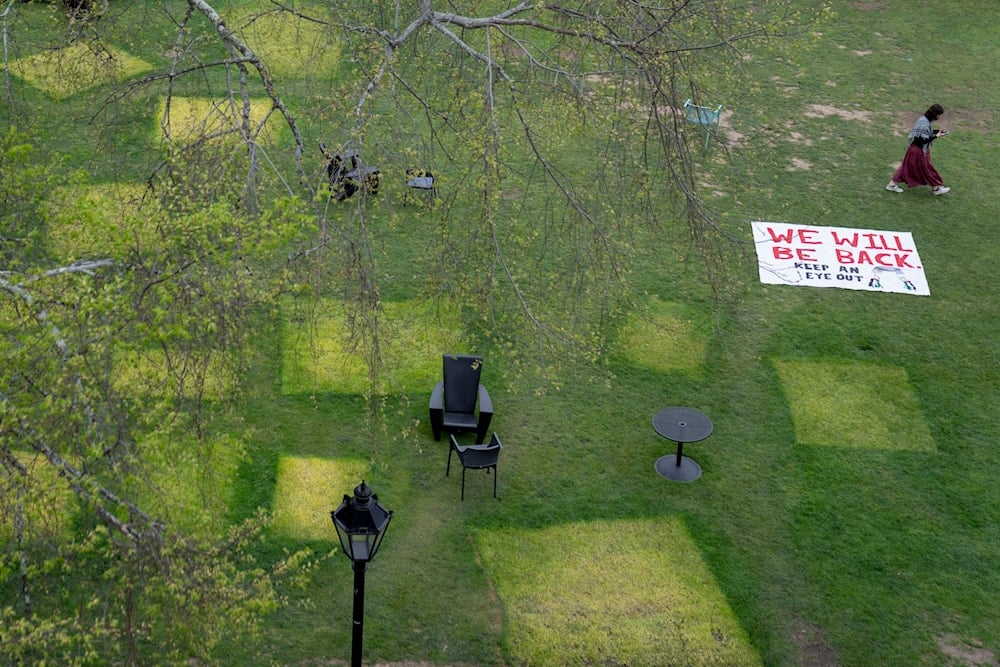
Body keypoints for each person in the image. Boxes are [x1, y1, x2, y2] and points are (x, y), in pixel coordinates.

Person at [886, 103, 950, 196]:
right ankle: (936, 189)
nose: (939, 117)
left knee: (907, 167)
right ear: (935, 114)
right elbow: (923, 140)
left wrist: (937, 131)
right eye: (939, 115)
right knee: (926, 169)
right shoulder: (924, 124)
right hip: (918, 151)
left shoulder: (924, 120)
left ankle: (891, 185)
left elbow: (926, 132)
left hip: (916, 150)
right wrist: (936, 136)